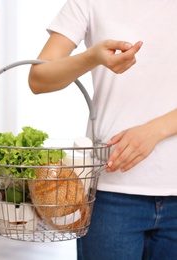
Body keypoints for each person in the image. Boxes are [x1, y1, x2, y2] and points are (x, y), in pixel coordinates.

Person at [28, 1, 177, 259]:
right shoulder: (87, 3)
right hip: (110, 193)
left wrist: (154, 131)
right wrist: (92, 57)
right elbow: (39, 78)